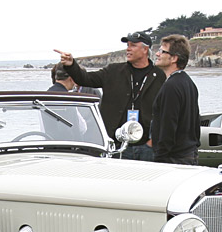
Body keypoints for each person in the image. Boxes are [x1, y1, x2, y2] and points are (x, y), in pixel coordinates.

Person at [56, 31, 165, 160]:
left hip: (146, 146)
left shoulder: (159, 76)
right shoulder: (113, 71)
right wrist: (71, 65)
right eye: (127, 45)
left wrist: (152, 142)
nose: (128, 49)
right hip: (116, 145)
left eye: (133, 45)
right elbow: (85, 79)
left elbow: (164, 112)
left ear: (145, 49)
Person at [150, 35, 200, 164]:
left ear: (174, 58)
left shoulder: (171, 86)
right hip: (188, 153)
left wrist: (160, 157)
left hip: (174, 158)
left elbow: (168, 125)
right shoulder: (188, 82)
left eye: (162, 51)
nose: (157, 54)